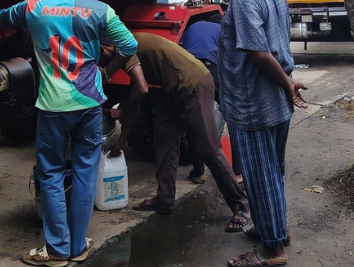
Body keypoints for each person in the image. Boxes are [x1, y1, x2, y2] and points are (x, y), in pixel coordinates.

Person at [0, 0, 137, 267]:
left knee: (50, 173)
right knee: (84, 171)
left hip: (52, 107)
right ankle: (78, 245)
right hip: (90, 104)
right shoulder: (100, 10)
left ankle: (56, 251)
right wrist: (105, 72)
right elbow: (129, 46)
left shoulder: (32, 7)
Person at [212, 0, 307, 267]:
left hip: (255, 102)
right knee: (272, 171)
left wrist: (286, 85)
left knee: (259, 175)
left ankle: (272, 251)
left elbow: (259, 53)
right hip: (276, 99)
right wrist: (288, 85)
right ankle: (275, 230)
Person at [103, 32, 250, 233]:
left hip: (193, 82)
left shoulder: (125, 47)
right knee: (163, 140)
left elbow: (142, 91)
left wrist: (122, 110)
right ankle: (165, 200)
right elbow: (135, 99)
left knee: (208, 148)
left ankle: (241, 207)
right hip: (169, 88)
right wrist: (121, 143)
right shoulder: (125, 48)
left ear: (105, 49)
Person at [180, 20, 237, 184]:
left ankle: (199, 173)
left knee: (194, 122)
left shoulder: (189, 28)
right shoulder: (221, 28)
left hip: (191, 70)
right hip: (213, 69)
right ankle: (238, 172)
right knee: (233, 118)